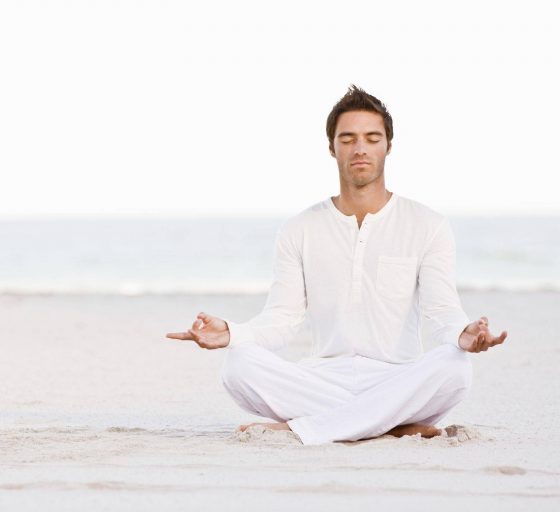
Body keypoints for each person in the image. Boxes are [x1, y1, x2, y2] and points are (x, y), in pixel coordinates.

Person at [165, 85, 508, 445]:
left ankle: (310, 427)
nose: (360, 148)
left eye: (372, 138)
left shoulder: (428, 224)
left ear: (388, 146)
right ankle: (390, 425)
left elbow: (441, 311)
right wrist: (232, 333)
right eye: (348, 139)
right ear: (332, 147)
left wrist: (462, 334)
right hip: (322, 379)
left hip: (398, 379)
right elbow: (282, 319)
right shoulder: (299, 228)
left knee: (455, 367)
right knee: (237, 364)